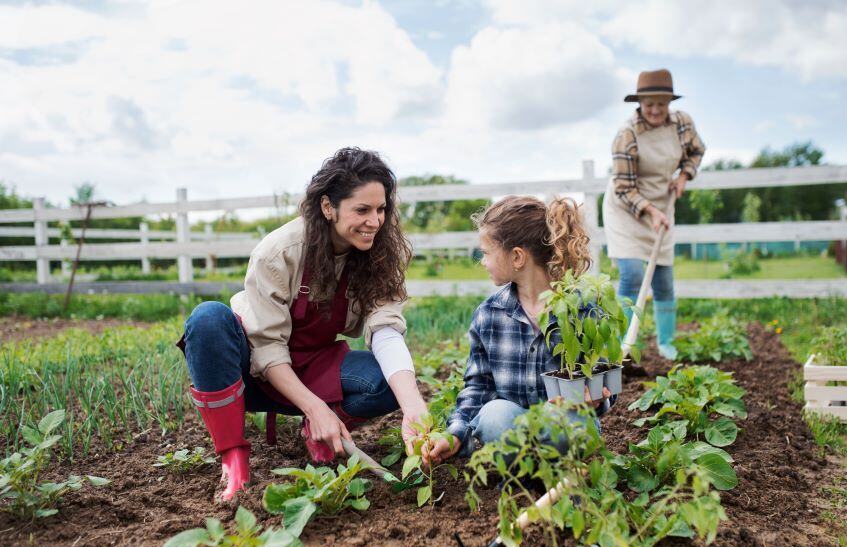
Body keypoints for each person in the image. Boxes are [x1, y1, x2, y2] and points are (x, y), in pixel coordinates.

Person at [179, 148, 428, 501]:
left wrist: (413, 405)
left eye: (381, 209)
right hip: (251, 368)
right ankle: (234, 459)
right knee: (207, 319)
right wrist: (315, 406)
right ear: (328, 207)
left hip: (314, 363)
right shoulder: (279, 251)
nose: (375, 221)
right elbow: (267, 349)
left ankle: (319, 433)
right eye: (362, 210)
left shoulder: (381, 253)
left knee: (391, 382)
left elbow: (385, 328)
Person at [428, 196, 614, 464]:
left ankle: (542, 465)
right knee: (494, 416)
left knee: (567, 422)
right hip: (509, 424)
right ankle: (528, 467)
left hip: (564, 423)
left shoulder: (581, 308)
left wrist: (594, 393)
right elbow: (478, 385)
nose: (482, 261)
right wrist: (455, 433)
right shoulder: (489, 314)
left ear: (517, 257)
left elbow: (604, 373)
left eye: (486, 253)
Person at [603, 69, 706, 359]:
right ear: (639, 103)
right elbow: (623, 187)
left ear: (669, 102)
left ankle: (666, 343)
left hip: (663, 202)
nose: (656, 110)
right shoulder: (627, 135)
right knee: (633, 274)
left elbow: (697, 151)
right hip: (626, 209)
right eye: (650, 104)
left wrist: (684, 176)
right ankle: (622, 347)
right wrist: (649, 211)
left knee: (663, 278)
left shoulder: (682, 123)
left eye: (662, 103)